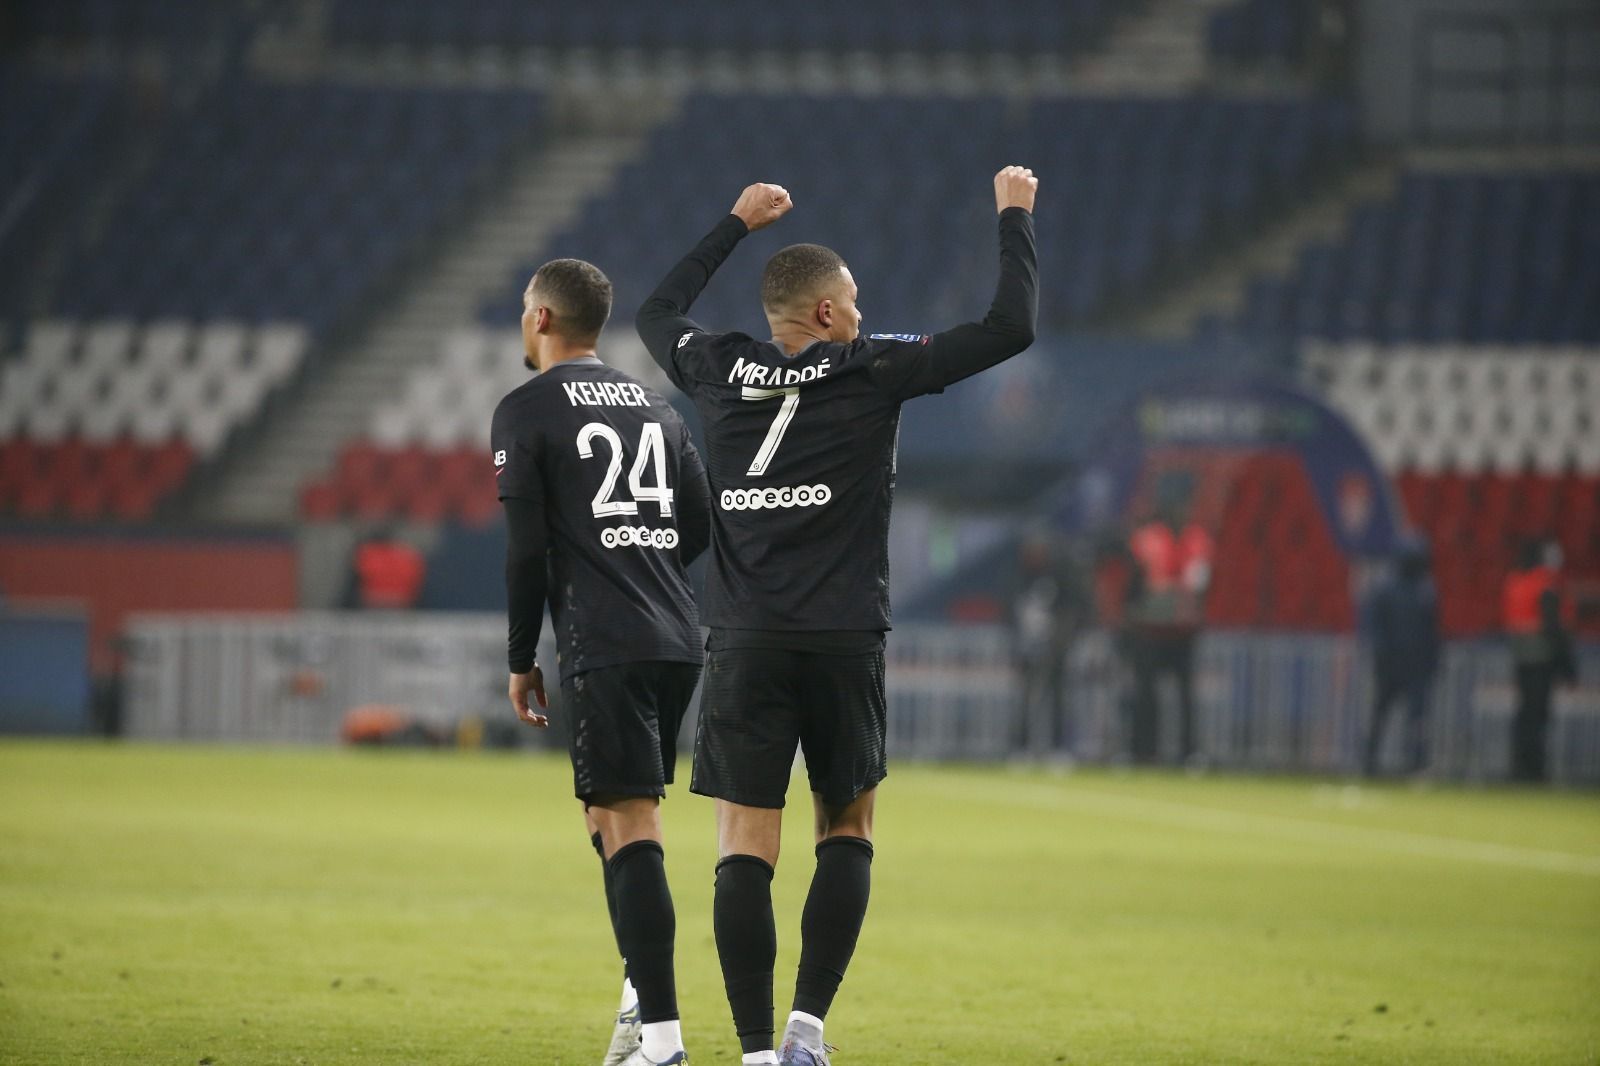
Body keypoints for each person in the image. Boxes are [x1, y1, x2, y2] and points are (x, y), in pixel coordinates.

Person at [636, 167, 1039, 1065]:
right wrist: (1014, 217)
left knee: (744, 846)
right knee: (846, 831)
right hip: (844, 639)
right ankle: (806, 1034)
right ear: (823, 314)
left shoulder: (714, 364)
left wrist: (734, 223)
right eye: (851, 300)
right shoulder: (872, 370)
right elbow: (1011, 327)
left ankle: (749, 1052)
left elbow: (657, 312)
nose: (860, 312)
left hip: (744, 638)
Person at [491, 258, 711, 1066]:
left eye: (524, 308)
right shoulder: (659, 405)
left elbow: (524, 555)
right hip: (678, 638)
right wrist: (640, 562)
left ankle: (659, 1039)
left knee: (630, 822)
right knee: (610, 819)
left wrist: (521, 658)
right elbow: (696, 528)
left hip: (606, 640)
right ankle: (636, 993)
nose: (522, 319)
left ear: (543, 319)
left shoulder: (525, 410)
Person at [1122, 478, 1212, 765]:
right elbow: (1134, 583)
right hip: (1151, 628)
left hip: (1182, 629)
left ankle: (1188, 752)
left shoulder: (1197, 539)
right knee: (1146, 693)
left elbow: (1202, 583)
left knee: (1185, 694)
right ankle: (1145, 750)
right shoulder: (1148, 538)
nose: (1179, 511)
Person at [1361, 538, 1440, 776]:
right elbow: (1374, 625)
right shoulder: (1386, 588)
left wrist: (1433, 660)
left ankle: (1417, 763)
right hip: (1390, 665)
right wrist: (1380, 654)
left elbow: (1431, 630)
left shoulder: (1425, 590)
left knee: (1417, 718)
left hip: (1416, 667)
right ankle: (1369, 762)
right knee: (1380, 714)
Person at [1503, 539, 1577, 783]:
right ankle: (1533, 770)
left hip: (1520, 657)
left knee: (1525, 714)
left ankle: (1519, 766)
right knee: (1537, 716)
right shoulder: (1544, 584)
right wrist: (1568, 667)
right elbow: (1553, 627)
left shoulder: (1515, 581)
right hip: (1541, 658)